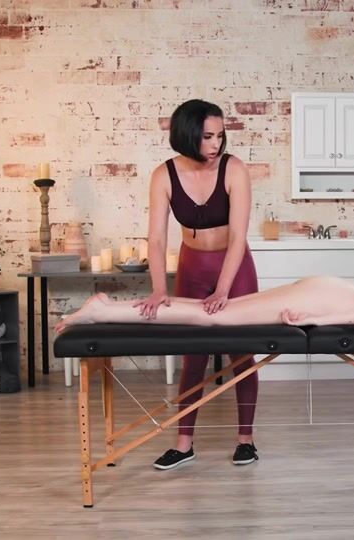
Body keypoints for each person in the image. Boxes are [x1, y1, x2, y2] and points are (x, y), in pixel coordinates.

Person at [56, 275, 354, 387]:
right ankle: (103, 312)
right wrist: (322, 323)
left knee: (217, 309)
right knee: (215, 318)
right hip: (325, 302)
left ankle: (113, 307)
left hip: (329, 289)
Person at [135, 99, 260, 471]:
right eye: (208, 136)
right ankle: (184, 444)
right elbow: (156, 239)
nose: (216, 144)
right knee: (194, 357)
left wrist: (223, 289)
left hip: (233, 267)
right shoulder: (164, 175)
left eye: (220, 136)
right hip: (192, 266)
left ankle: (246, 440)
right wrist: (160, 288)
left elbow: (238, 236)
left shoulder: (234, 169)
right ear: (188, 134)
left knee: (242, 355)